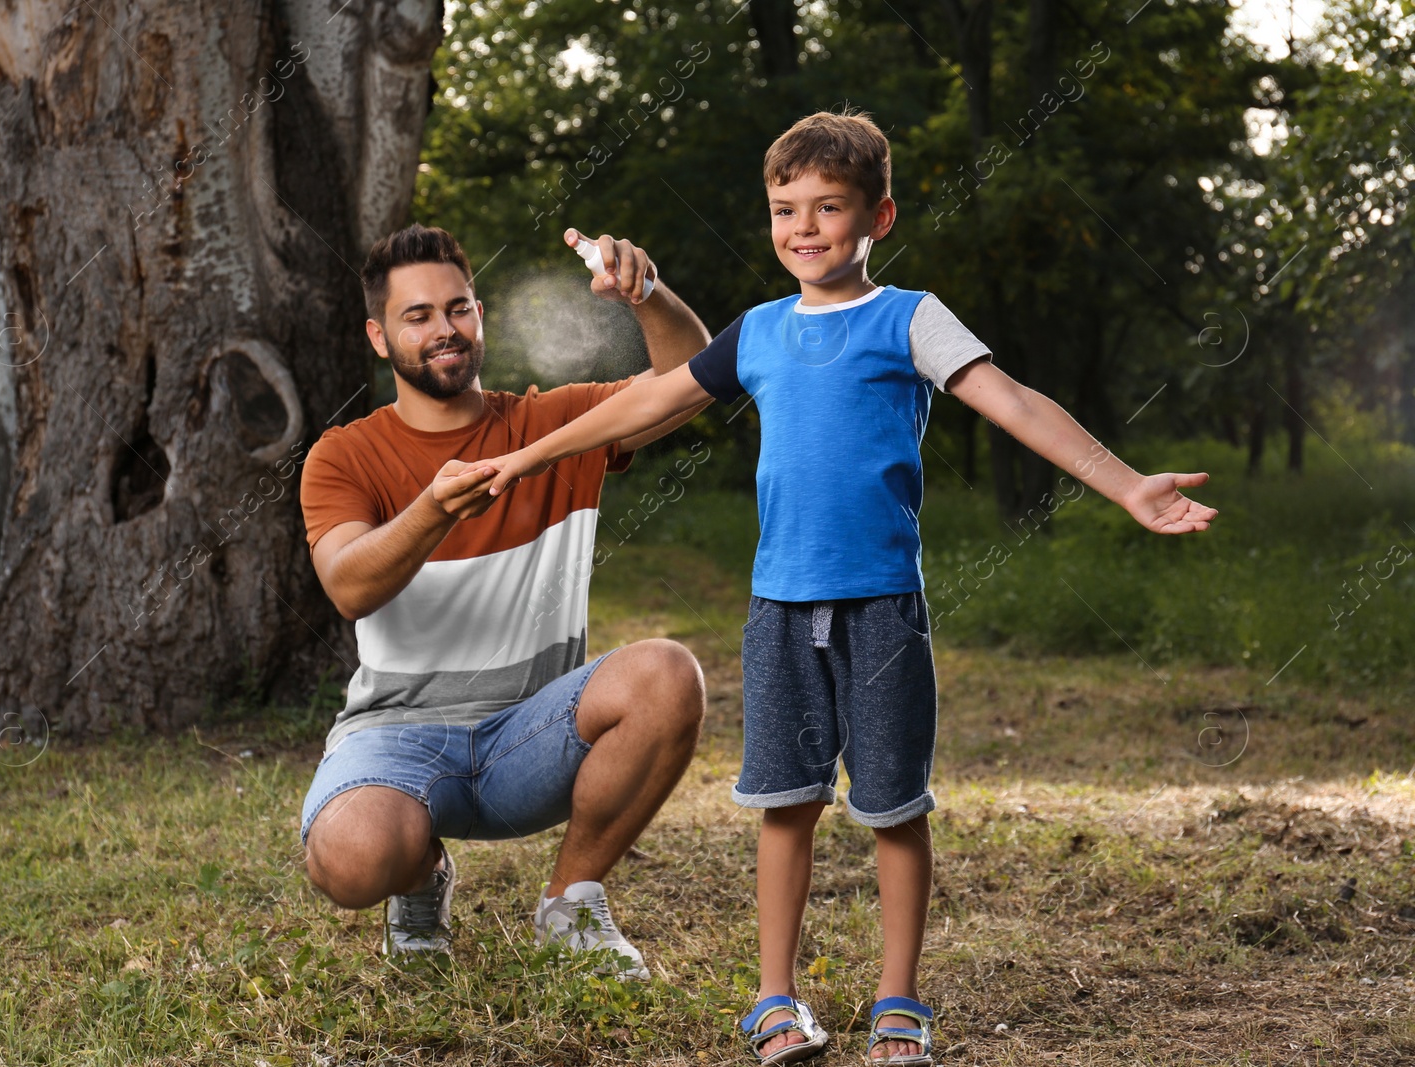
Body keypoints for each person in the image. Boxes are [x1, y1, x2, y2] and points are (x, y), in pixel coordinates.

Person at [470, 110, 1218, 1063]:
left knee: (894, 808)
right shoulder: (759, 331)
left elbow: (1014, 402)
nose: (806, 227)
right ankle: (775, 1002)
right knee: (787, 804)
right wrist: (529, 455)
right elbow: (646, 400)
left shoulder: (911, 317)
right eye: (787, 208)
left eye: (830, 206)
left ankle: (898, 1003)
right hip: (779, 610)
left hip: (883, 612)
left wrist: (1125, 484)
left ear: (881, 216)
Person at [299, 222, 713, 979]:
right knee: (352, 860)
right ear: (380, 337)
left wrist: (645, 294)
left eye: (457, 308)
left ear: (479, 315)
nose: (444, 329)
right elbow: (349, 585)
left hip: (533, 736)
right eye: (417, 316)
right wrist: (430, 508)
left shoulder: (553, 424)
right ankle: (418, 881)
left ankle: (571, 903)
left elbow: (700, 375)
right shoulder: (345, 454)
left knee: (668, 672)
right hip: (399, 736)